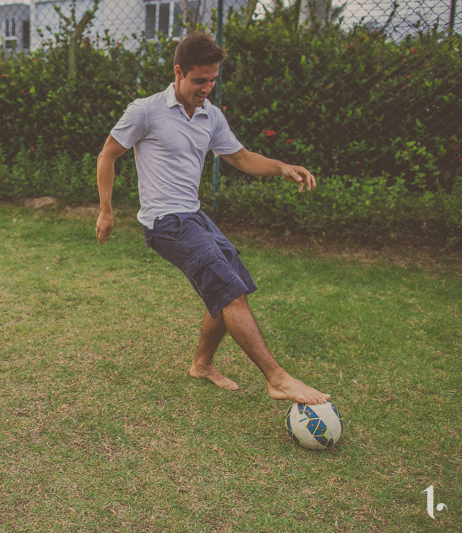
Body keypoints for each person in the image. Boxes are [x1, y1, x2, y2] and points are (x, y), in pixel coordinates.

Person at [95, 33, 329, 405]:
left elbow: (242, 157)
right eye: (199, 80)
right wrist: (107, 210)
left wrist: (281, 167)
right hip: (164, 222)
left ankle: (202, 365)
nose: (207, 88)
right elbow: (107, 156)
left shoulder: (210, 115)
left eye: (213, 80)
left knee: (231, 282)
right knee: (229, 290)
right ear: (178, 72)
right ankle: (277, 378)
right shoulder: (145, 111)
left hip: (195, 215)